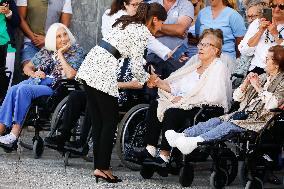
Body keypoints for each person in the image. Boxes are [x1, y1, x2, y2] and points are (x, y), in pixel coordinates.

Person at [76, 3, 168, 183]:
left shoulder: (126, 22)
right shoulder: (141, 31)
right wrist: (150, 80)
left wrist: (145, 75)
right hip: (103, 69)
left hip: (91, 64)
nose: (162, 27)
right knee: (109, 121)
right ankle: (102, 168)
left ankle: (100, 167)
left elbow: (134, 59)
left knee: (99, 121)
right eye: (162, 22)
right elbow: (136, 67)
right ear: (155, 19)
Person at [166, 45, 284, 185]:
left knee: (229, 125)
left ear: (276, 64)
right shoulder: (264, 77)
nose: (264, 61)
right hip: (245, 113)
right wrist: (246, 83)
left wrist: (258, 87)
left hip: (263, 120)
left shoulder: (282, 82)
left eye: (268, 59)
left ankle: (197, 141)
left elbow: (273, 104)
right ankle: (184, 135)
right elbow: (238, 97)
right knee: (216, 120)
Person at [140, 29, 232, 177]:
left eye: (206, 45)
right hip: (183, 102)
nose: (201, 47)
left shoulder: (218, 67)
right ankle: (150, 150)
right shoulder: (195, 64)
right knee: (155, 105)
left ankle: (164, 156)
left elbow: (214, 96)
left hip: (203, 107)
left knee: (172, 111)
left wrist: (184, 99)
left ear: (215, 50)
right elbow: (175, 87)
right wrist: (158, 82)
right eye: (201, 44)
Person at [0, 23, 85, 148]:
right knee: (13, 89)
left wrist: (60, 54)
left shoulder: (76, 51)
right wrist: (34, 73)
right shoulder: (47, 51)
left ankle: (14, 133)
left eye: (65, 34)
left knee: (23, 89)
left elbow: (71, 74)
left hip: (57, 87)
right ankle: (1, 129)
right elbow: (27, 67)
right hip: (38, 82)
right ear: (52, 40)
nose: (63, 38)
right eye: (58, 36)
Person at [146, 0, 194, 81]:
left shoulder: (186, 4)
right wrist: (174, 32)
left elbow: (180, 29)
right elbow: (145, 30)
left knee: (173, 90)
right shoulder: (151, 4)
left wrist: (156, 28)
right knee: (151, 90)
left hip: (177, 56)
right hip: (153, 56)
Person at [17, 0, 72, 67]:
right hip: (31, 42)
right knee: (28, 68)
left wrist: (47, 40)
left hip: (54, 44)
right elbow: (20, 18)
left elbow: (64, 26)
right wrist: (34, 38)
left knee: (53, 71)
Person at [238, 0, 284, 75]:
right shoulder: (257, 23)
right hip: (256, 70)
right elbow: (245, 50)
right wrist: (260, 32)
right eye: (273, 6)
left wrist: (275, 34)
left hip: (279, 72)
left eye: (282, 6)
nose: (276, 9)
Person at [0, 0, 20, 99]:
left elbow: (16, 22)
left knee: (5, 88)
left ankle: (3, 113)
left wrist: (8, 12)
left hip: (7, 48)